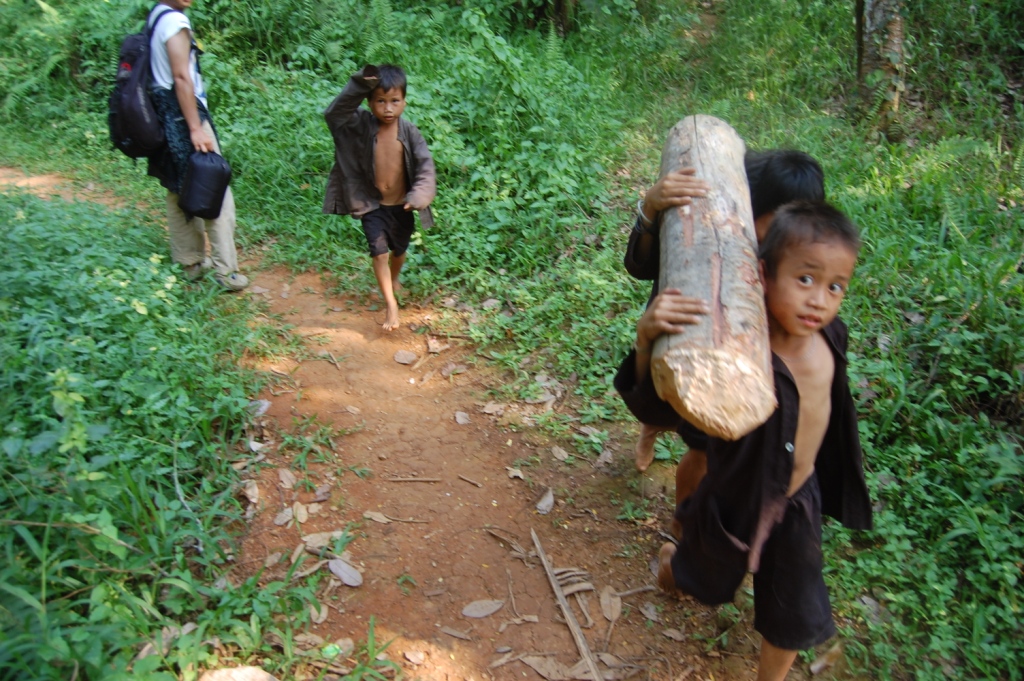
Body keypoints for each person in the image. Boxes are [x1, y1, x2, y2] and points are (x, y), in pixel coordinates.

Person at [615, 201, 872, 680]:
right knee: (701, 577)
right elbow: (660, 406)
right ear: (761, 275)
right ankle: (674, 564)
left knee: (793, 610)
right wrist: (647, 339)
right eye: (805, 279)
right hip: (733, 498)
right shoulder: (732, 353)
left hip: (796, 502)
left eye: (835, 286)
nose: (820, 299)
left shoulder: (833, 338)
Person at [624, 151, 825, 512]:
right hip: (684, 341)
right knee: (659, 405)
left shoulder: (793, 263)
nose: (784, 237)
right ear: (745, 208)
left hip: (733, 363)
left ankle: (685, 530)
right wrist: (650, 210)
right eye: (773, 223)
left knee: (702, 444)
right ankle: (651, 431)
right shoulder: (705, 231)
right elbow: (640, 266)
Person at [323, 64, 436, 332]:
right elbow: (334, 114)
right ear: (369, 102)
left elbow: (425, 166)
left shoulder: (410, 133)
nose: (387, 108)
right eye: (380, 101)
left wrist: (419, 195)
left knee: (400, 250)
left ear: (404, 102)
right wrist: (360, 83)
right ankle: (390, 303)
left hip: (402, 206)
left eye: (394, 101)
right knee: (379, 253)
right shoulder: (360, 125)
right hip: (371, 204)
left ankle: (394, 280)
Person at [146, 0, 249, 290]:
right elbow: (181, 77)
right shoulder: (176, 23)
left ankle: (190, 263)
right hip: (184, 116)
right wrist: (195, 128)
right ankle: (225, 271)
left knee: (179, 188)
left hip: (163, 116)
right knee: (214, 187)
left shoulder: (155, 17)